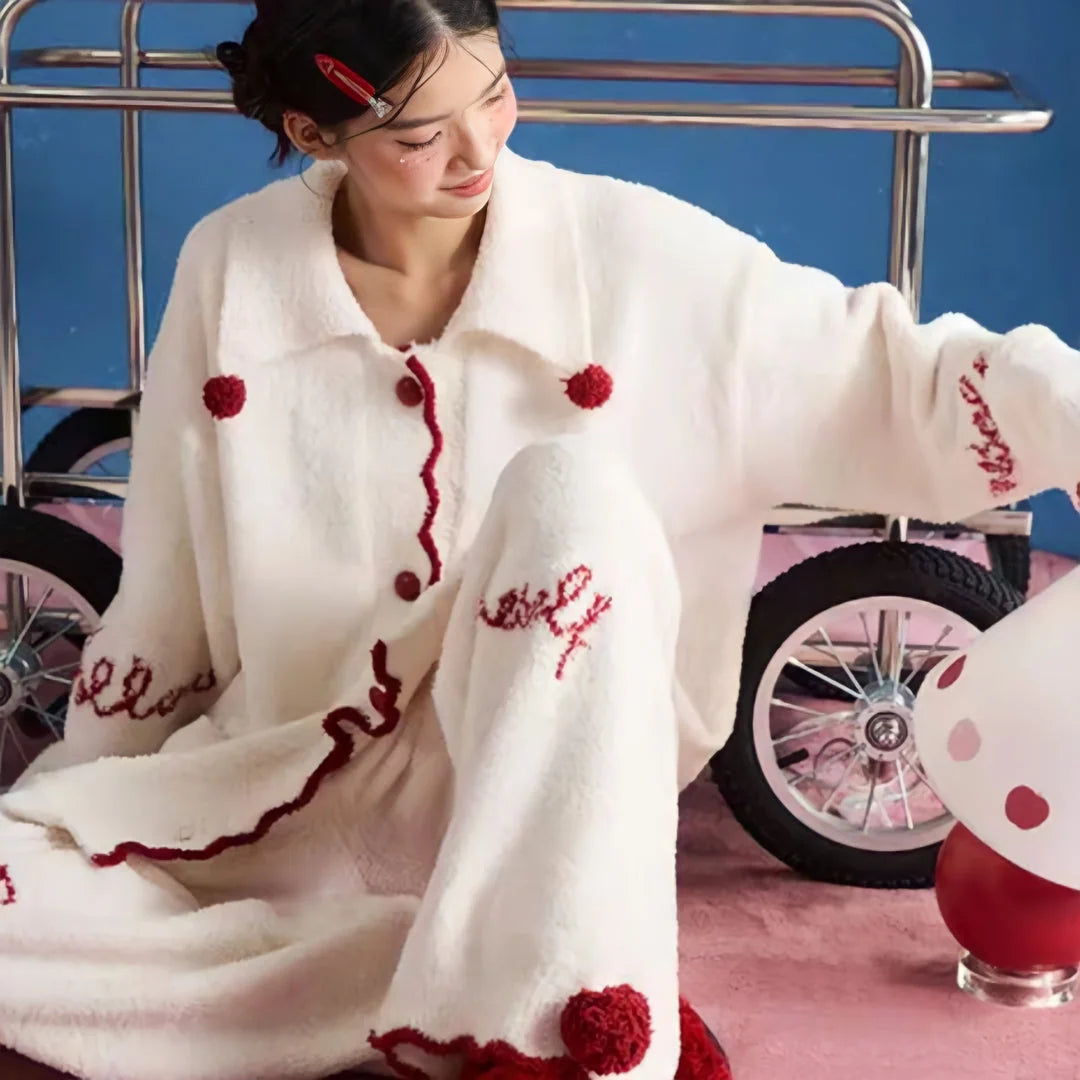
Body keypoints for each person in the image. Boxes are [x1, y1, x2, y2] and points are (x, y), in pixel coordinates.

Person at [1, 0, 1079, 1077]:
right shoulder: (231, 264)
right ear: (315, 134)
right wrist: (88, 782)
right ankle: (446, 984)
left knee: (577, 493)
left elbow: (881, 373)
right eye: (421, 136)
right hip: (288, 792)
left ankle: (553, 1022)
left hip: (546, 781)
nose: (481, 148)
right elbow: (174, 565)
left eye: (494, 91)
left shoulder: (628, 249)